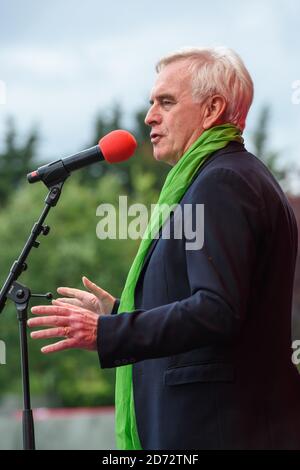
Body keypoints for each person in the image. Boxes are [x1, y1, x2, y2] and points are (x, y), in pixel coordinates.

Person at [27, 47, 300, 450]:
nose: (149, 116)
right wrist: (119, 312)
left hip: (219, 429)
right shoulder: (225, 177)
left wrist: (109, 331)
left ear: (212, 109)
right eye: (151, 103)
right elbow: (218, 305)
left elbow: (217, 310)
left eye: (166, 102)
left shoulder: (221, 182)